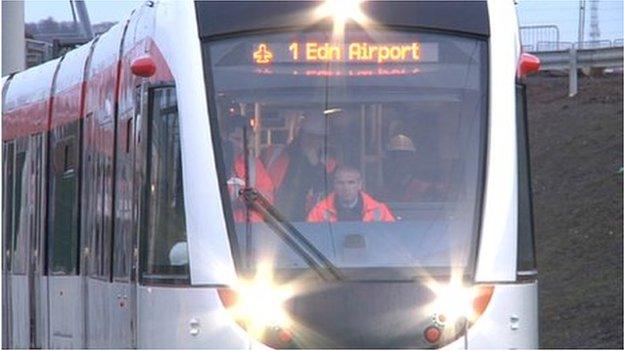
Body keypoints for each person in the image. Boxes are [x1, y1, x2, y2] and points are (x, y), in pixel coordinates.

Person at [261, 115, 337, 221]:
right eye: (309, 136)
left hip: (312, 220)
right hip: (274, 216)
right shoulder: (275, 154)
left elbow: (327, 192)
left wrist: (316, 165)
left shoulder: (329, 164)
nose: (313, 141)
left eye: (318, 137)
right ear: (301, 134)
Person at [224, 115, 274, 222]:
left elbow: (268, 198)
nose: (241, 145)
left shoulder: (254, 164)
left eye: (245, 141)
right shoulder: (214, 163)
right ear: (226, 137)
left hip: (251, 230)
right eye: (237, 139)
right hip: (223, 227)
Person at [307, 166, 395, 222]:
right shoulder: (319, 211)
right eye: (341, 183)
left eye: (351, 183)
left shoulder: (379, 211)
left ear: (360, 185)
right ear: (334, 185)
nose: (346, 188)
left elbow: (391, 238)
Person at [383, 134, 442, 202]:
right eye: (396, 157)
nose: (400, 161)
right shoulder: (385, 189)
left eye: (404, 157)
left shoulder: (425, 189)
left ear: (411, 159)